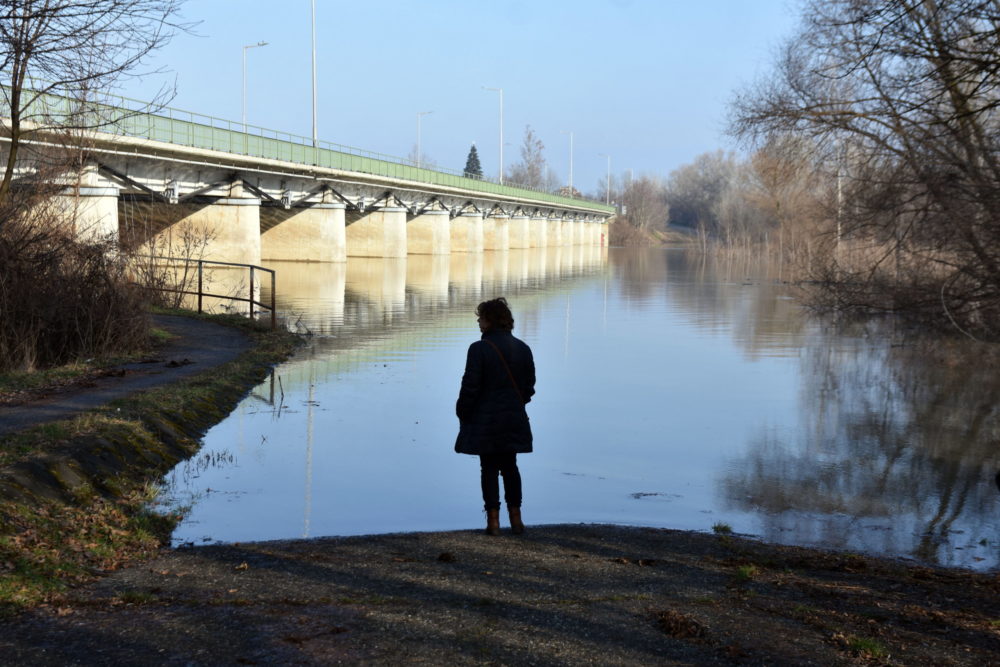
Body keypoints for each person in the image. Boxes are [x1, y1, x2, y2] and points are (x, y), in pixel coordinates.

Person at [455, 297, 536, 536]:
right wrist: (516, 402)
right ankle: (517, 519)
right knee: (510, 466)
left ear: (490, 320)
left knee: (488, 467)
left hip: (485, 418)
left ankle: (493, 522)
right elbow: (530, 385)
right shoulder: (523, 348)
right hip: (513, 417)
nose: (479, 323)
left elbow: (470, 385)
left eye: (481, 318)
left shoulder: (479, 349)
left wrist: (463, 410)